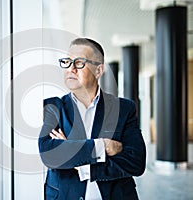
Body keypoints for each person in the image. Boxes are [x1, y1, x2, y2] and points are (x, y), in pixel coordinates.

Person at [38, 38, 146, 200]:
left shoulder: (123, 109)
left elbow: (136, 162)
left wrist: (81, 163)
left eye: (79, 62)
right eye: (67, 62)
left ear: (98, 70)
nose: (71, 69)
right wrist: (102, 146)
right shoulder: (54, 106)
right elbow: (50, 154)